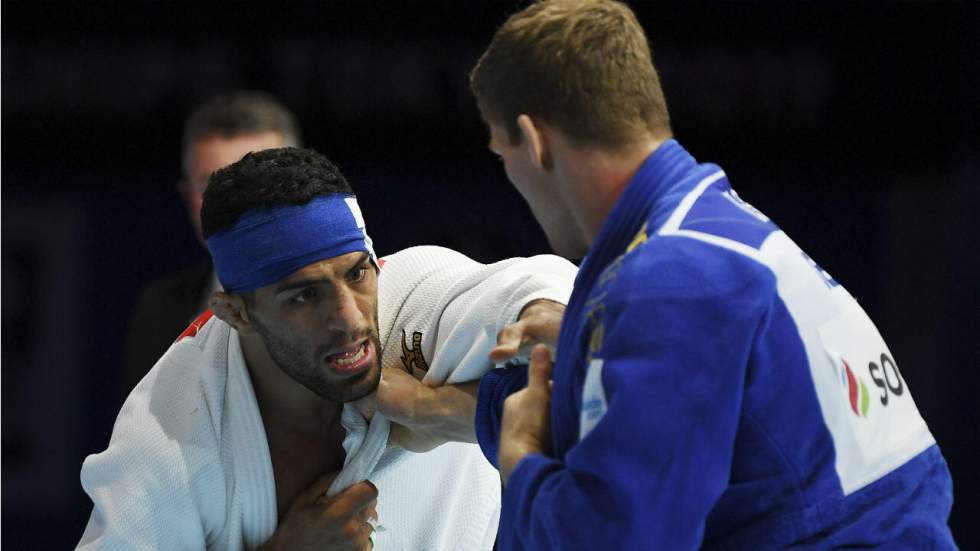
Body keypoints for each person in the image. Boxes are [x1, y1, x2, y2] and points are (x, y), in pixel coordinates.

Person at [467, 1, 957, 549]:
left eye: (500, 151)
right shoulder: (716, 233)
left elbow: (619, 540)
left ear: (534, 141)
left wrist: (522, 462)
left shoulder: (672, 279)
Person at [78, 147, 577, 550]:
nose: (350, 318)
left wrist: (434, 407)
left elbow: (530, 283)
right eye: (304, 295)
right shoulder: (171, 442)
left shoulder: (409, 300)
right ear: (236, 313)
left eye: (357, 272)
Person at [121, 91, 300, 398]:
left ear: (300, 184)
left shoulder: (360, 299)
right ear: (187, 195)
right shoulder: (158, 310)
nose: (236, 204)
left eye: (259, 181)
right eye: (212, 186)